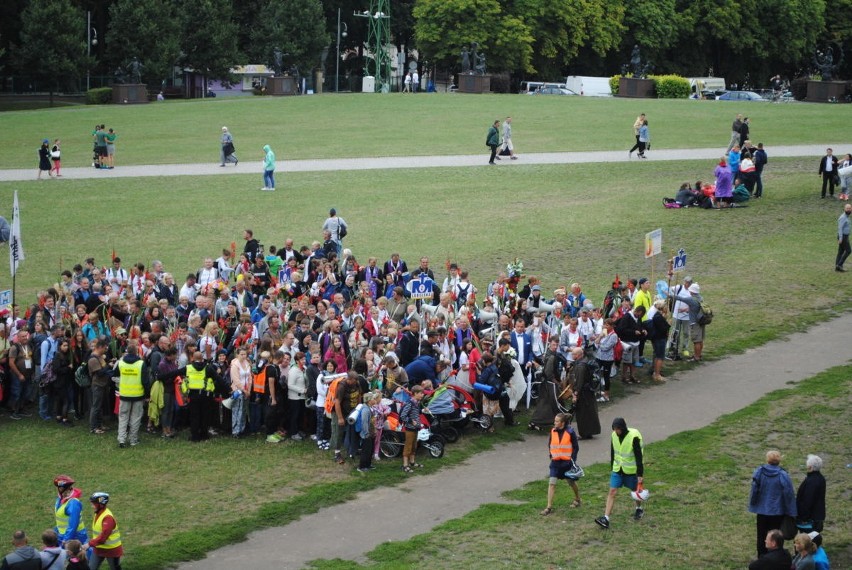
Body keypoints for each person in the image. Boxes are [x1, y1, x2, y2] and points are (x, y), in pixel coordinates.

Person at [595, 417, 645, 529]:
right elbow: (613, 451)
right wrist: (612, 466)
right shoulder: (614, 435)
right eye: (614, 429)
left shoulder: (634, 437)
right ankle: (606, 518)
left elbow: (638, 457)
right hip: (617, 469)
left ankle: (639, 508)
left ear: (622, 428)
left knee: (634, 492)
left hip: (631, 471)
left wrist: (640, 474)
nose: (615, 431)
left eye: (617, 429)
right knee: (612, 491)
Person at [748, 450, 797, 557]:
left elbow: (754, 489)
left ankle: (761, 557)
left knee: (761, 536)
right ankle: (774, 557)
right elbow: (788, 494)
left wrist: (753, 502)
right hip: (777, 511)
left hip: (762, 510)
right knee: (776, 537)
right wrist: (791, 511)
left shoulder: (759, 472)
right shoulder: (783, 475)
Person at [540, 412, 582, 515]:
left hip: (566, 463)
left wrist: (572, 460)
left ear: (562, 423)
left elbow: (576, 447)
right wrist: (551, 455)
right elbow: (550, 444)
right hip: (555, 462)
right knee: (552, 483)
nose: (554, 423)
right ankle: (549, 507)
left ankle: (577, 499)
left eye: (557, 421)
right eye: (555, 421)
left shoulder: (570, 432)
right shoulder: (553, 431)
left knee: (571, 482)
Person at [115, 341, 148, 448]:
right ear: (137, 352)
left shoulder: (120, 363)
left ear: (126, 352)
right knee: (136, 417)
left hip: (124, 394)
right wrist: (147, 394)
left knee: (123, 417)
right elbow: (145, 381)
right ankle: (133, 440)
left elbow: (114, 374)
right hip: (138, 395)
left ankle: (121, 439)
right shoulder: (141, 364)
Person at [528, 337, 565, 430]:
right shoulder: (551, 356)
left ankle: (537, 422)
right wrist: (556, 381)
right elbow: (548, 372)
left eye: (557, 345)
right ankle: (560, 421)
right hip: (549, 383)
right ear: (549, 344)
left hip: (546, 382)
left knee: (545, 403)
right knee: (553, 402)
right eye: (553, 345)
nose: (555, 347)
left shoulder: (548, 354)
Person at [569, 347, 600, 439]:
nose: (572, 355)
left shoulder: (580, 366)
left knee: (582, 414)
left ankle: (583, 433)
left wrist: (575, 394)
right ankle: (589, 431)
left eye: (573, 354)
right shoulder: (586, 361)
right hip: (588, 392)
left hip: (582, 394)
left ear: (578, 355)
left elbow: (579, 382)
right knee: (589, 412)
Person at [86, 492, 123, 570]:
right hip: (98, 548)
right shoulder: (98, 513)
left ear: (101, 504)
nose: (92, 506)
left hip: (112, 550)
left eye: (94, 504)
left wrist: (89, 544)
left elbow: (103, 537)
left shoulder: (107, 518)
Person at [53, 475, 88, 547]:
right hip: (63, 535)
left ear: (62, 488)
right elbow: (61, 521)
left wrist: (66, 540)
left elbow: (73, 525)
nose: (57, 489)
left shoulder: (73, 503)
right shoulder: (60, 499)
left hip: (75, 537)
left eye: (58, 487)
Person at [796, 454, 826, 533]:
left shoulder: (811, 481)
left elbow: (807, 500)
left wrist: (803, 518)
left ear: (810, 467)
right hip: (817, 516)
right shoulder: (820, 478)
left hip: (810, 519)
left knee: (806, 542)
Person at [400, 384, 425, 473]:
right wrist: (410, 421)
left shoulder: (417, 403)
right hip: (409, 428)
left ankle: (412, 462)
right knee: (408, 446)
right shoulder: (409, 403)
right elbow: (403, 416)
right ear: (415, 393)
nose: (422, 395)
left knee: (414, 446)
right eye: (421, 393)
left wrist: (422, 411)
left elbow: (415, 413)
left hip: (416, 428)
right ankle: (405, 465)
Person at [648, 300, 670, 382]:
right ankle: (657, 374)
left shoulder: (658, 315)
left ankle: (655, 373)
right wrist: (668, 323)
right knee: (660, 356)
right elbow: (663, 328)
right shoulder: (658, 317)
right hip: (660, 339)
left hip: (658, 338)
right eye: (666, 307)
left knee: (658, 356)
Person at [836, 203, 851, 272]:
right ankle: (839, 265)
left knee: (840, 252)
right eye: (847, 208)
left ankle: (837, 267)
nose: (849, 210)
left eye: (850, 208)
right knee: (848, 250)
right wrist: (841, 238)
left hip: (845, 236)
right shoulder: (843, 217)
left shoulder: (847, 217)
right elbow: (840, 229)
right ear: (844, 209)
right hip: (843, 237)